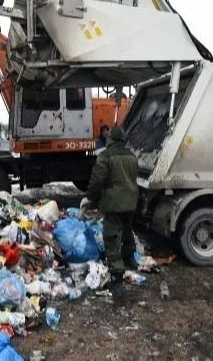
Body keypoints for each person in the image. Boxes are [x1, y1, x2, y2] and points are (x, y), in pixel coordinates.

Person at [85, 125, 139, 298]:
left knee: (112, 236)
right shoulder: (132, 156)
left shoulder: (105, 156)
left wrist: (91, 198)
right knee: (127, 230)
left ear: (111, 139)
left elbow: (97, 180)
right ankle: (130, 258)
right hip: (131, 201)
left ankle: (117, 275)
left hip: (114, 203)